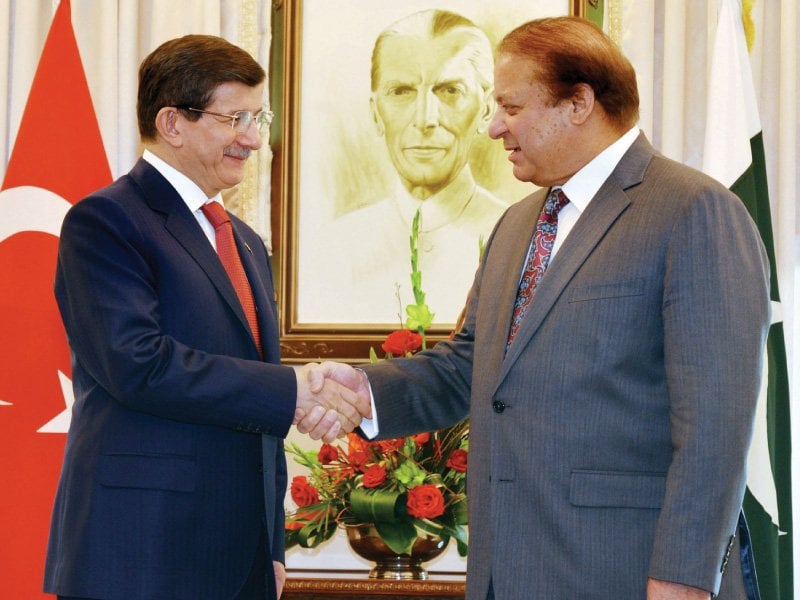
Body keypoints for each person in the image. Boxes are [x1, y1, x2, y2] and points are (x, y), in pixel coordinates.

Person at [302, 16, 771, 600]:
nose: (493, 126)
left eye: (511, 106)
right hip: (509, 570)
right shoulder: (518, 222)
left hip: (626, 572)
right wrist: (356, 391)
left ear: (579, 103)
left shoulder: (694, 211)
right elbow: (470, 366)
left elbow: (715, 424)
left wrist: (683, 577)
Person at [43, 35, 369, 600]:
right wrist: (294, 388)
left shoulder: (242, 240)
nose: (254, 138)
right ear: (173, 122)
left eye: (258, 116)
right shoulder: (107, 221)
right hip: (142, 551)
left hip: (239, 557)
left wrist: (270, 546)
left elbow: (252, 406)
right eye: (235, 117)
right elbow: (138, 365)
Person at [307, 9, 508, 325]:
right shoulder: (332, 247)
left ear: (485, 110)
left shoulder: (518, 237)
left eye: (450, 91)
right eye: (401, 92)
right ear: (376, 113)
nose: (425, 118)